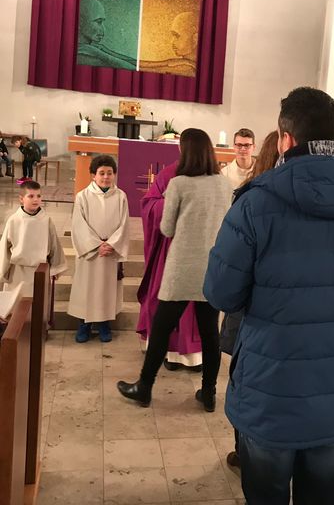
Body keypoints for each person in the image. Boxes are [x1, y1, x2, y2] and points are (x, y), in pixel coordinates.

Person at [204, 87, 334, 505]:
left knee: (265, 493)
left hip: (269, 394)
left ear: (286, 139)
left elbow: (221, 293)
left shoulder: (254, 205)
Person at [117, 128, 232, 411]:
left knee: (160, 328)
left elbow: (166, 228)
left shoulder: (179, 184)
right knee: (210, 333)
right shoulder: (224, 184)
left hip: (182, 269)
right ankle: (209, 394)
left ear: (186, 151)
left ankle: (144, 387)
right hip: (212, 268)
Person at [219, 129, 279, 470]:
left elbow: (225, 282)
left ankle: (244, 450)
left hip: (250, 311)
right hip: (283, 316)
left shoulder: (249, 198)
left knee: (245, 382)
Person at [136, 160, 203, 371]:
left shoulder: (211, 176)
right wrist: (170, 203)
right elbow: (149, 205)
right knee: (174, 301)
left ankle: (195, 356)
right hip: (175, 249)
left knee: (192, 305)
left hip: (193, 249)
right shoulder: (169, 173)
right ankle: (171, 354)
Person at [67, 155, 130, 343]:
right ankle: (84, 325)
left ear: (114, 174)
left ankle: (104, 324)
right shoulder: (83, 196)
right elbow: (78, 225)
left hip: (110, 251)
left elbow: (124, 224)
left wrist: (112, 244)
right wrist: (95, 245)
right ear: (93, 175)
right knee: (86, 288)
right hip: (90, 253)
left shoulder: (120, 196)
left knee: (106, 290)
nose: (106, 177)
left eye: (109, 173)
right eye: (101, 173)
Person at [0, 180, 66, 297]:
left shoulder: (46, 220)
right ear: (21, 199)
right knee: (16, 303)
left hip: (40, 270)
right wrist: (2, 271)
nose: (35, 199)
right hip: (18, 271)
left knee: (38, 303)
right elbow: (4, 248)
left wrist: (55, 267)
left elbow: (54, 245)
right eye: (31, 196)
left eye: (38, 196)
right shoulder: (14, 220)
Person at [77, 0, 137, 70]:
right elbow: (133, 68)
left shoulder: (92, 49)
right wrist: (99, 53)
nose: (103, 29)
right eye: (99, 22)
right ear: (80, 22)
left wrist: (107, 51)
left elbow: (138, 66)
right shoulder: (83, 56)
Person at [139, 10, 199, 77]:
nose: (172, 42)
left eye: (177, 36)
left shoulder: (189, 69)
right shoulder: (186, 63)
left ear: (195, 39)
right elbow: (166, 63)